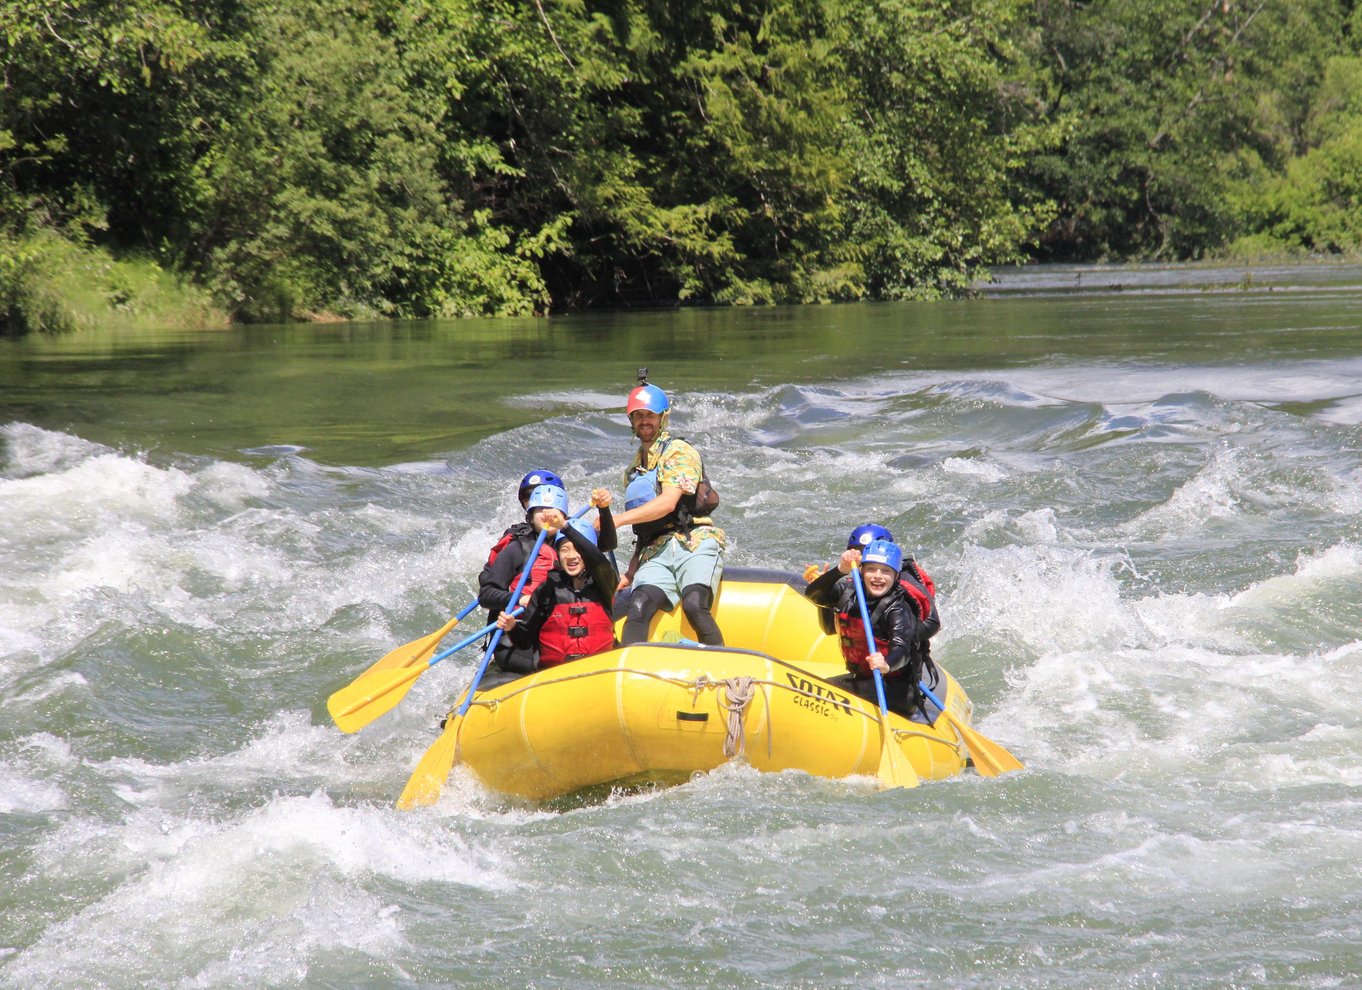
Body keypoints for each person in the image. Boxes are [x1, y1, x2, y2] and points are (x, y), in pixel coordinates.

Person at [609, 374, 726, 646]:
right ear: (631, 422)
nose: (644, 421)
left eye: (649, 414)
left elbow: (668, 503)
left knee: (695, 605)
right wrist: (630, 572)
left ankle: (723, 667)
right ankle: (630, 675)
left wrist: (616, 520)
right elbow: (645, 529)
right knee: (637, 607)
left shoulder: (680, 452)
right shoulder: (633, 470)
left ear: (663, 417)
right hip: (655, 551)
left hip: (693, 542)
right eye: (637, 416)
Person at [803, 538, 940, 722]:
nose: (877, 576)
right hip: (865, 680)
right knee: (817, 688)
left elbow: (902, 649)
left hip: (895, 690)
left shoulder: (898, 609)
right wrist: (840, 570)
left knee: (825, 692)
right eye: (871, 569)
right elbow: (815, 595)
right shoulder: (851, 593)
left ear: (896, 575)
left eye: (885, 571)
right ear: (861, 571)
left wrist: (887, 664)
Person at [492, 490, 619, 674]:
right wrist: (512, 628)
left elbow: (599, 560)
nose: (571, 556)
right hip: (556, 679)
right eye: (564, 550)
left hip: (599, 674)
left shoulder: (603, 583)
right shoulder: (548, 589)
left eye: (577, 550)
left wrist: (565, 527)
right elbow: (525, 640)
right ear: (558, 555)